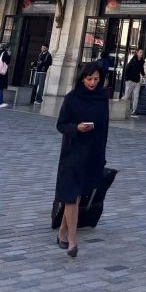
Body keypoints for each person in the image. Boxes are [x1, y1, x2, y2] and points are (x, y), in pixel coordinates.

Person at [54, 62, 109, 257]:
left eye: (96, 79)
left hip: (91, 152)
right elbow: (61, 124)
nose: (93, 82)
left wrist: (101, 155)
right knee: (71, 196)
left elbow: (104, 128)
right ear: (82, 78)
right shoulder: (72, 98)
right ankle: (72, 242)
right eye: (89, 79)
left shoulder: (102, 98)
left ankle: (62, 231)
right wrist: (76, 128)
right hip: (73, 152)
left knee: (76, 196)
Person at [123, 48, 146, 115]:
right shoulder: (133, 60)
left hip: (137, 81)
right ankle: (123, 109)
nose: (141, 54)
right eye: (140, 52)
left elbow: (141, 69)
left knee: (136, 96)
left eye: (142, 53)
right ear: (137, 53)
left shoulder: (141, 61)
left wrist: (144, 75)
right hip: (130, 81)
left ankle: (134, 111)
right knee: (127, 96)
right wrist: (127, 79)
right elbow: (127, 69)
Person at [0, 43, 11, 107]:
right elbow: (6, 61)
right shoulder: (6, 53)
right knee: (1, 87)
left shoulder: (2, 52)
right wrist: (9, 55)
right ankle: (0, 102)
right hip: (2, 72)